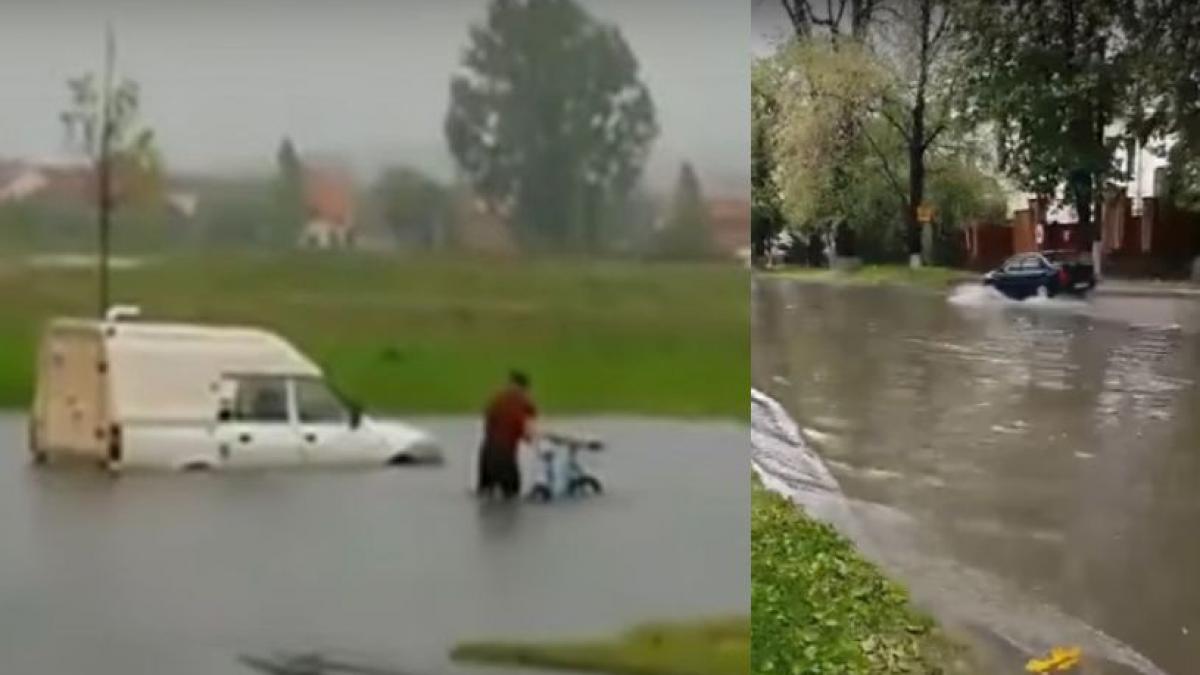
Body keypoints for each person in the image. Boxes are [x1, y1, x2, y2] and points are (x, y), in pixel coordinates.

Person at [477, 370, 538, 500]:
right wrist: (532, 439)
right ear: (524, 387)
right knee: (511, 494)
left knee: (486, 493)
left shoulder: (497, 398)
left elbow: (488, 420)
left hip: (487, 452)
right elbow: (528, 430)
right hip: (505, 454)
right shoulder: (525, 402)